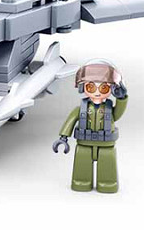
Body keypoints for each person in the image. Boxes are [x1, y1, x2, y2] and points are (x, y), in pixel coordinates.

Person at [53, 60, 128, 193]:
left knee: (107, 165)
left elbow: (119, 113)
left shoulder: (109, 109)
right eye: (91, 88)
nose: (97, 92)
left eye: (103, 88)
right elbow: (71, 120)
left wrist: (122, 98)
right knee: (82, 166)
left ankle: (107, 183)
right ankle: (81, 182)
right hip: (84, 143)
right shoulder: (81, 108)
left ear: (112, 89)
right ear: (83, 88)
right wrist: (63, 137)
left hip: (106, 144)